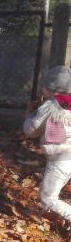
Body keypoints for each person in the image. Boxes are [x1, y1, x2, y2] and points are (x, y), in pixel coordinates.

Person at [23, 65, 71, 224]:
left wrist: (29, 114)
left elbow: (31, 130)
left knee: (48, 198)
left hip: (59, 160)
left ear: (50, 88)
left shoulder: (50, 106)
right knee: (53, 191)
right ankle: (56, 220)